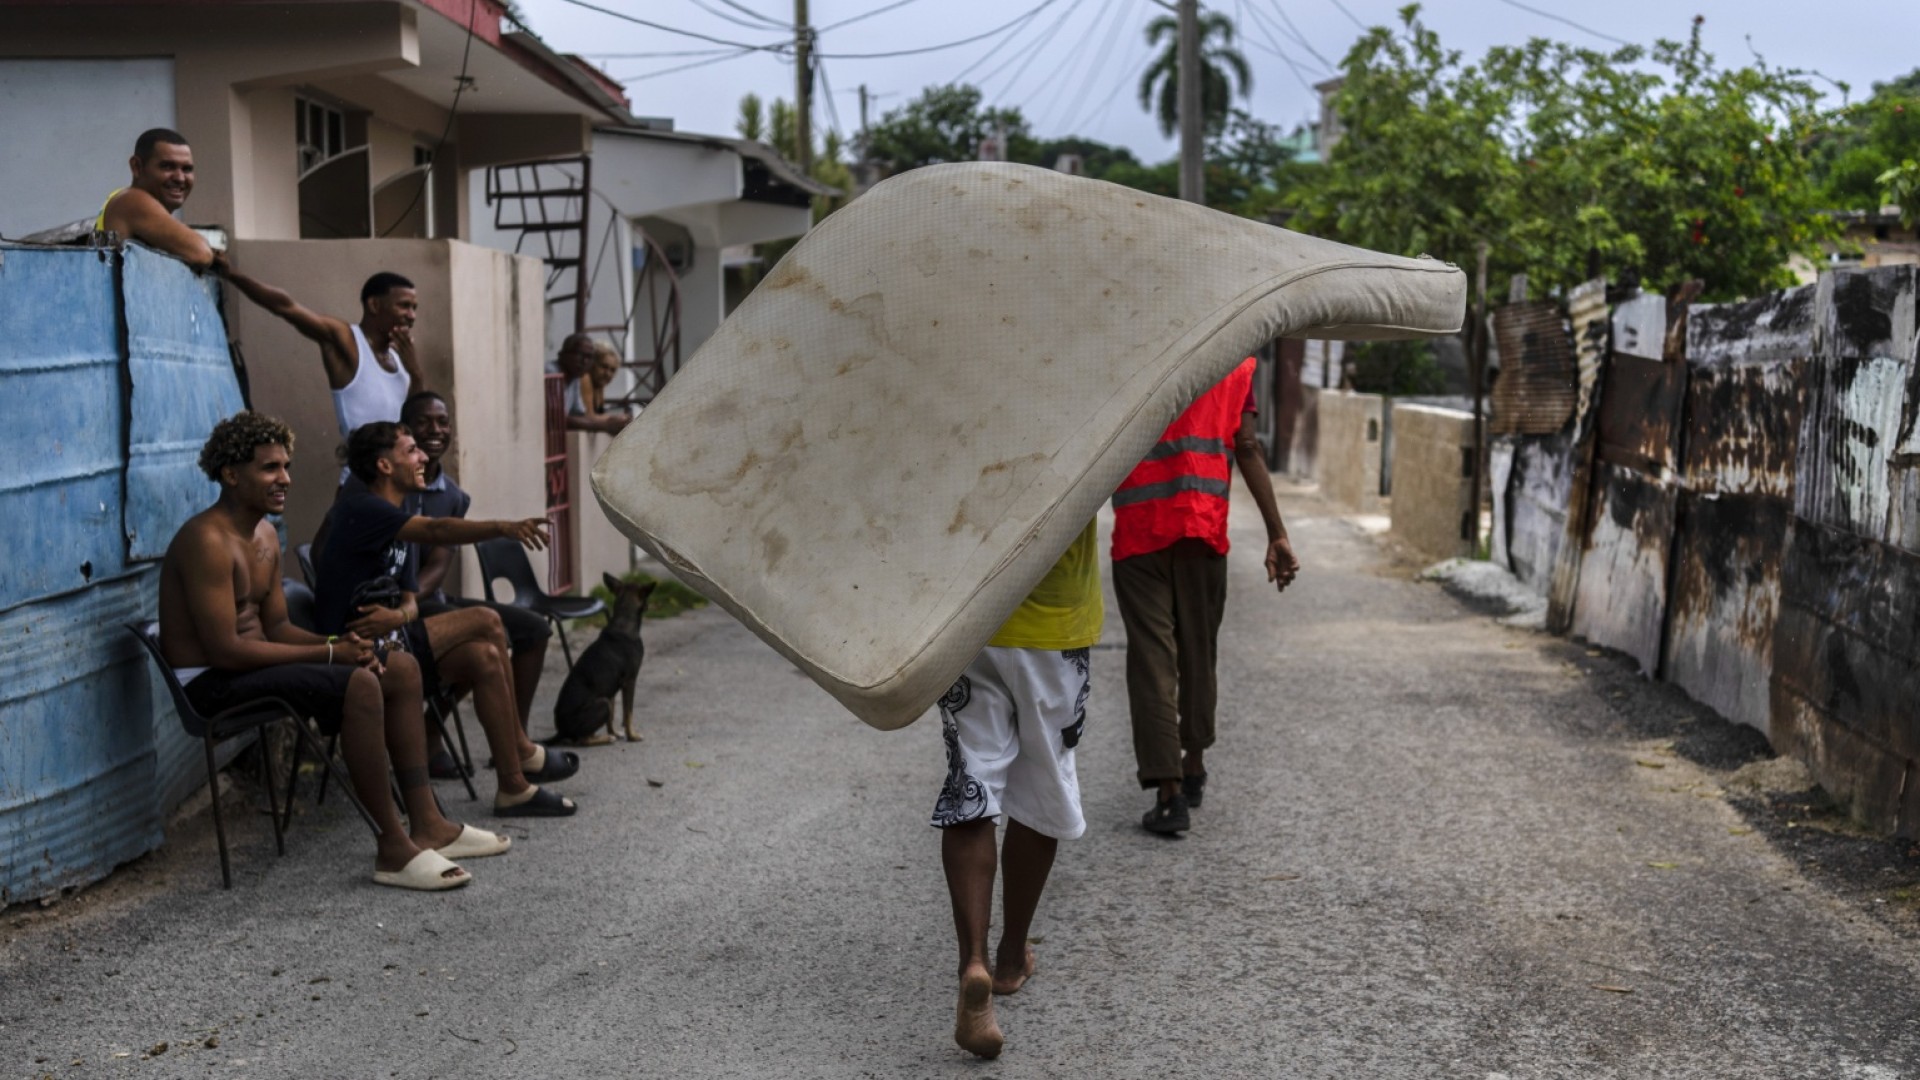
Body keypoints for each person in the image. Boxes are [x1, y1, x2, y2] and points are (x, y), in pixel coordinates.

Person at [158, 411, 512, 891]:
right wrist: (329, 657)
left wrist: (341, 645)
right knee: (360, 683)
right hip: (212, 682)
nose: (284, 478)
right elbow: (225, 651)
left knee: (398, 667)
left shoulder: (264, 534)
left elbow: (278, 627)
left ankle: (429, 822)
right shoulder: (206, 540)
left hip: (250, 660)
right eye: (270, 468)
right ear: (230, 474)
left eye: (286, 466)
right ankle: (392, 846)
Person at [313, 421, 579, 817]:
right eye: (412, 451)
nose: (423, 457)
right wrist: (505, 527)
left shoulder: (396, 515)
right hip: (361, 653)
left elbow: (411, 602)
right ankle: (521, 749)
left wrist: (395, 615)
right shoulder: (363, 508)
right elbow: (438, 528)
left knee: (484, 657)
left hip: (393, 639)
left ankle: (513, 787)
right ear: (385, 466)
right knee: (487, 620)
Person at [933, 517, 1102, 1060]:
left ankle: (972, 962)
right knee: (1040, 788)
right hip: (1056, 622)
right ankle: (1008, 960)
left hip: (971, 611)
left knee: (972, 785)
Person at [1111, 357, 1298, 837]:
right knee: (1199, 651)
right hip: (1203, 527)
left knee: (1153, 657)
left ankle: (1170, 794)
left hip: (1141, 531)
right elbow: (1248, 446)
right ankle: (1192, 764)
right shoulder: (1237, 362)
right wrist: (1277, 534)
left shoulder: (1132, 353)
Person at [396, 390, 554, 738]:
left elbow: (437, 567)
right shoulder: (390, 484)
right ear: (404, 430)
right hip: (396, 610)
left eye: (442, 422)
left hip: (425, 600)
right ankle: (435, 738)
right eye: (423, 422)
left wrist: (409, 599)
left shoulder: (452, 496)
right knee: (480, 639)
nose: (434, 430)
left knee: (534, 629)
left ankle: (517, 737)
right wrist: (399, 604)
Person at [223, 266, 425, 449]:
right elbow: (285, 306)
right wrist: (231, 274)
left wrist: (415, 373)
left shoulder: (400, 357)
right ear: (374, 305)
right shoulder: (348, 340)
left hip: (397, 477)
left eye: (414, 308)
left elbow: (413, 420)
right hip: (363, 479)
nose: (411, 315)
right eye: (404, 306)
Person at [96, 128, 215, 270]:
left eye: (187, 169)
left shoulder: (123, 201)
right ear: (137, 167)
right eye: (167, 166)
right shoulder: (132, 200)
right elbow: (201, 253)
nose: (180, 178)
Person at [547, 334, 628, 435]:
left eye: (589, 357)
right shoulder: (552, 373)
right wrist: (606, 425)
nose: (584, 361)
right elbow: (557, 419)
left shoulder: (575, 376)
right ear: (562, 354)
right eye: (580, 355)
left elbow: (579, 414)